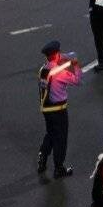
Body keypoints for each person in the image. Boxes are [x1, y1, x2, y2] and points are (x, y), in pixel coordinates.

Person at [37, 40, 82, 178]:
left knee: (50, 134)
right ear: (56, 55)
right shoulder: (59, 72)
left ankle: (42, 159)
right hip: (58, 110)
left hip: (47, 109)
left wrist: (62, 60)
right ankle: (59, 168)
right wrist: (75, 64)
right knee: (60, 139)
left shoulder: (43, 69)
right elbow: (77, 80)